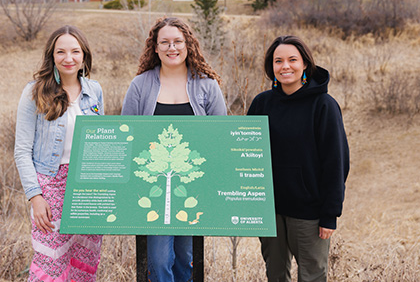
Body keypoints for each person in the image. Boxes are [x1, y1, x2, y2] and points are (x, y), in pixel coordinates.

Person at [121, 17, 227, 282]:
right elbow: (127, 138)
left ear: (188, 45)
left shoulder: (207, 85)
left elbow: (220, 138)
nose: (172, 47)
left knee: (187, 259)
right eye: (165, 42)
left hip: (194, 187)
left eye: (178, 41)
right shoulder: (140, 86)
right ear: (155, 48)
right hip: (153, 189)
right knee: (158, 261)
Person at [247, 35, 349, 282]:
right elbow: (245, 154)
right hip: (269, 210)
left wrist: (329, 214)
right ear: (271, 67)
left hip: (309, 213)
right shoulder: (261, 104)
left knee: (312, 275)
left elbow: (336, 163)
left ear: (305, 64)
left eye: (292, 60)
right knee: (275, 274)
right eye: (278, 61)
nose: (285, 66)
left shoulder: (324, 105)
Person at [14, 25, 104, 282]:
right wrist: (35, 197)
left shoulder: (94, 90)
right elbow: (21, 151)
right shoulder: (35, 92)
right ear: (51, 56)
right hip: (49, 187)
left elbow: (101, 144)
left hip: (87, 189)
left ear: (83, 56)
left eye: (75, 51)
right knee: (49, 266)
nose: (68, 58)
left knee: (84, 264)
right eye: (61, 52)